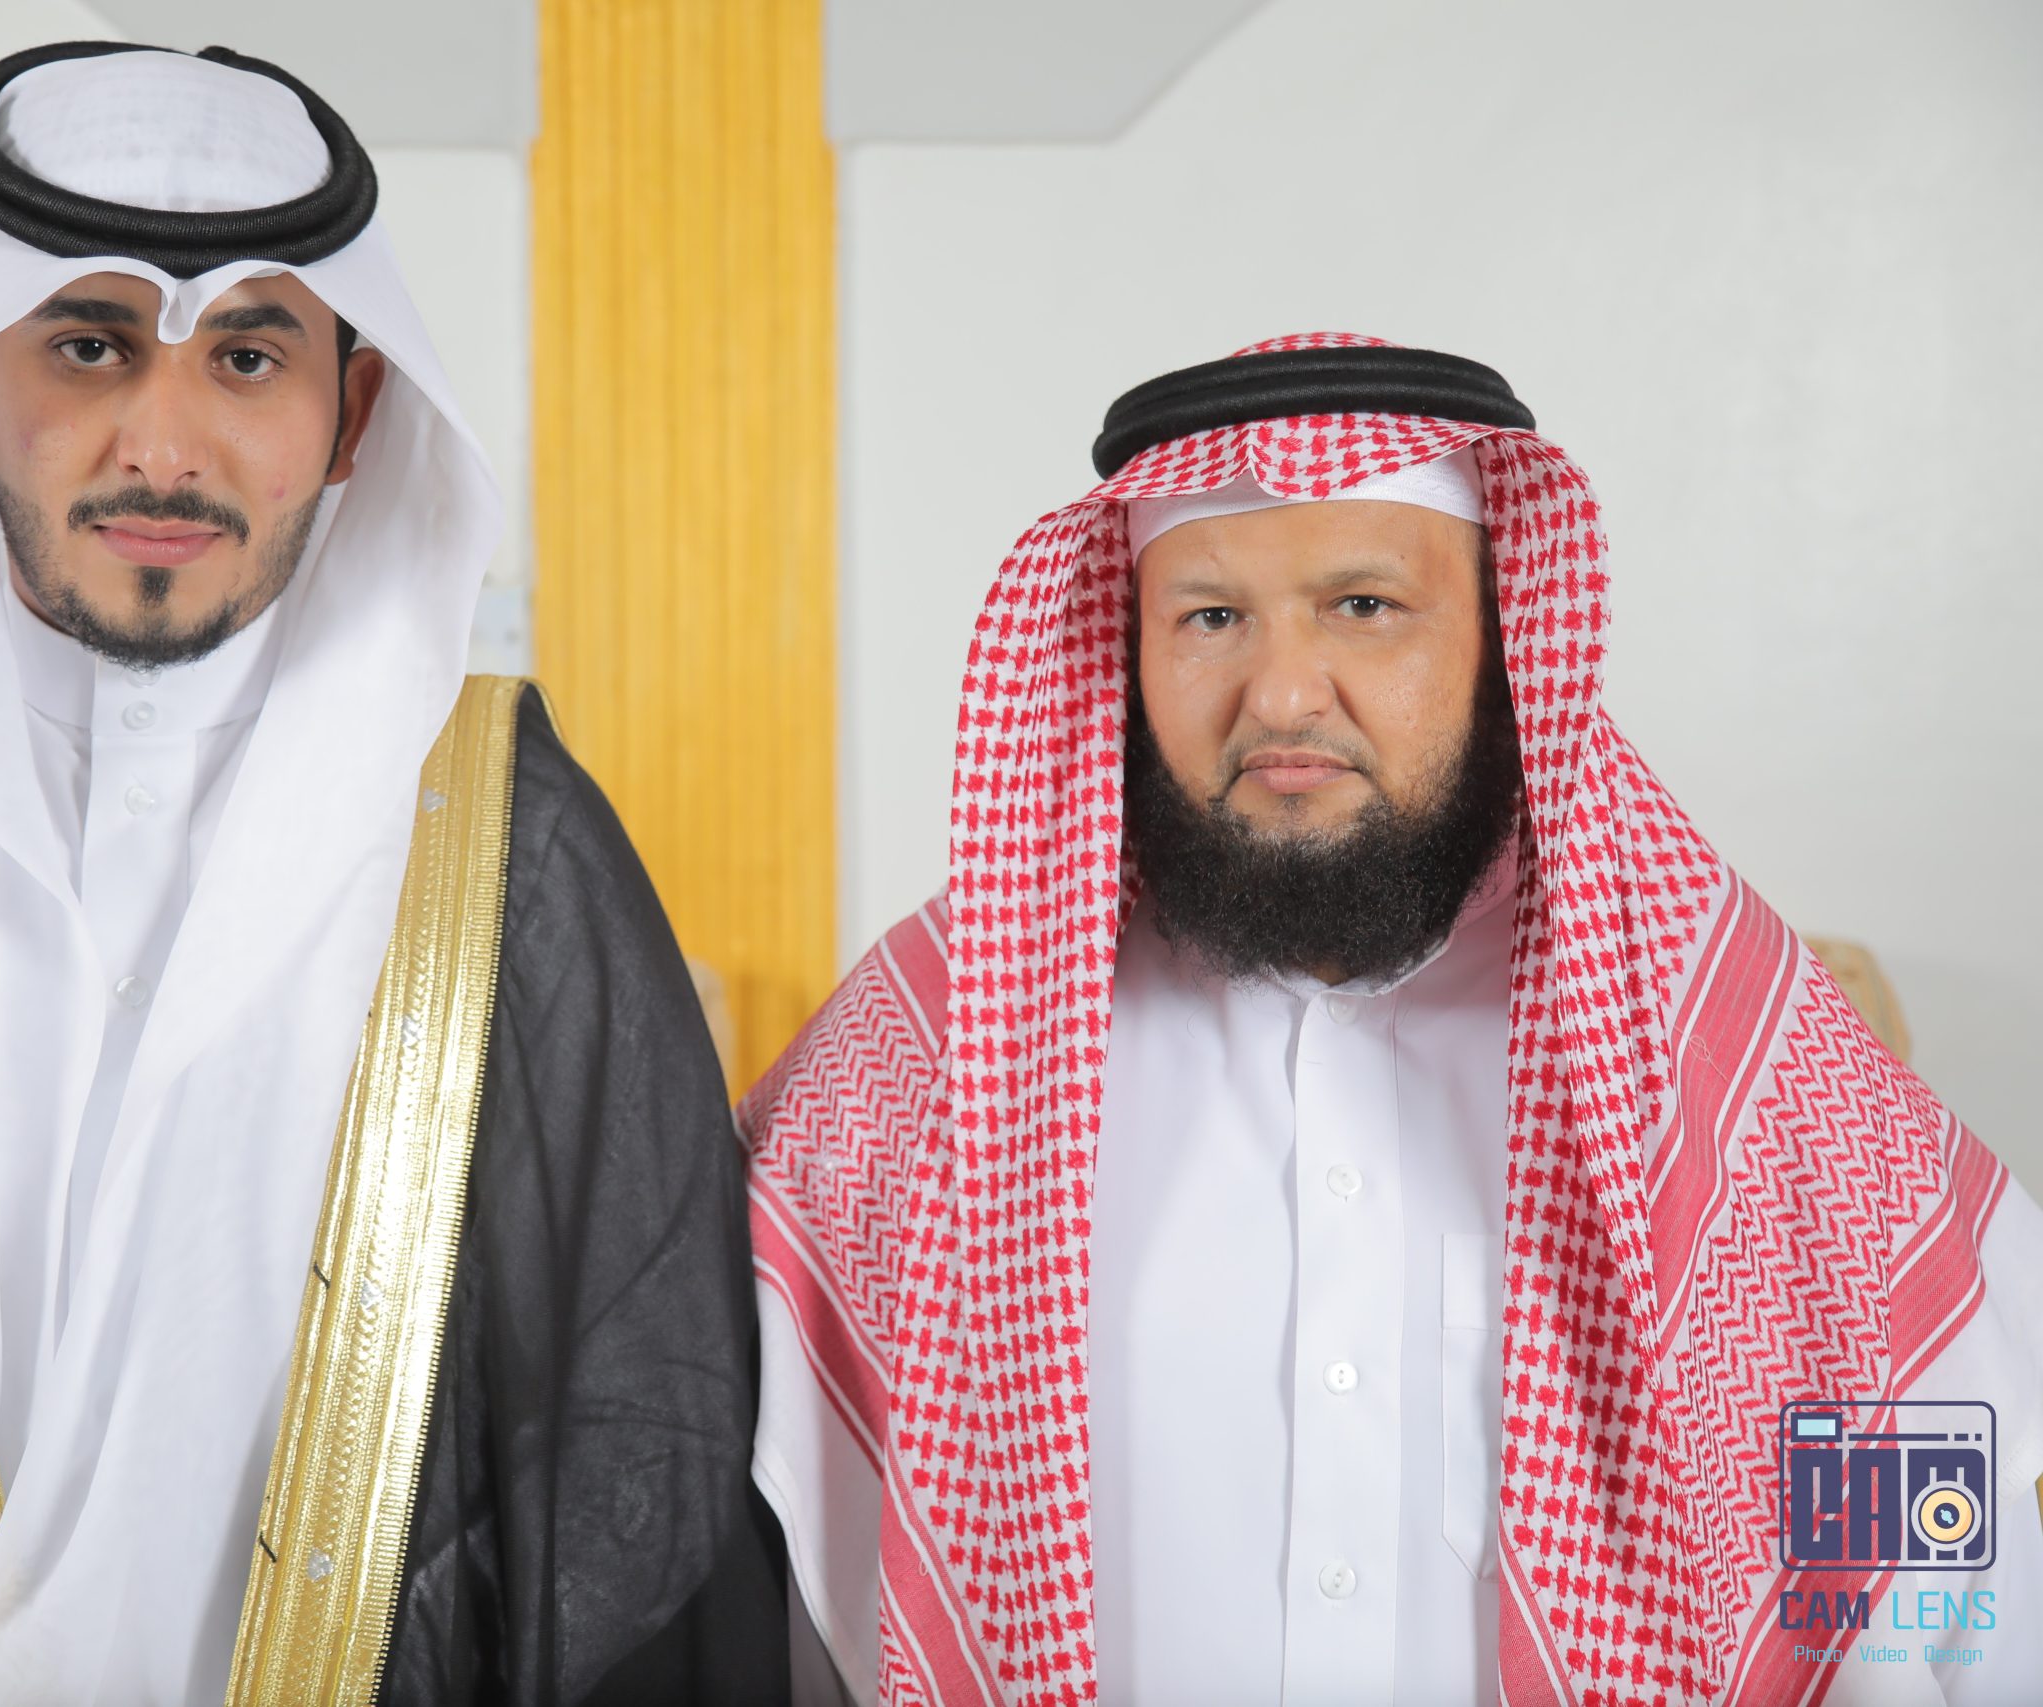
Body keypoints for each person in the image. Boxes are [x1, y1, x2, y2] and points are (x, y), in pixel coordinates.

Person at [0, 40, 785, 1706]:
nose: (162, 445)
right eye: (90, 344)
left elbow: (644, 1484)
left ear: (352, 413)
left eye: (247, 355)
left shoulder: (519, 860)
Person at [744, 333, 2043, 1705]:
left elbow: (1949, 1616)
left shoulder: (1737, 1063)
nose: (1281, 695)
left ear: (1506, 640)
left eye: (1362, 605)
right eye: (1210, 617)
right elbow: (766, 1556)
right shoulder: (939, 1054)